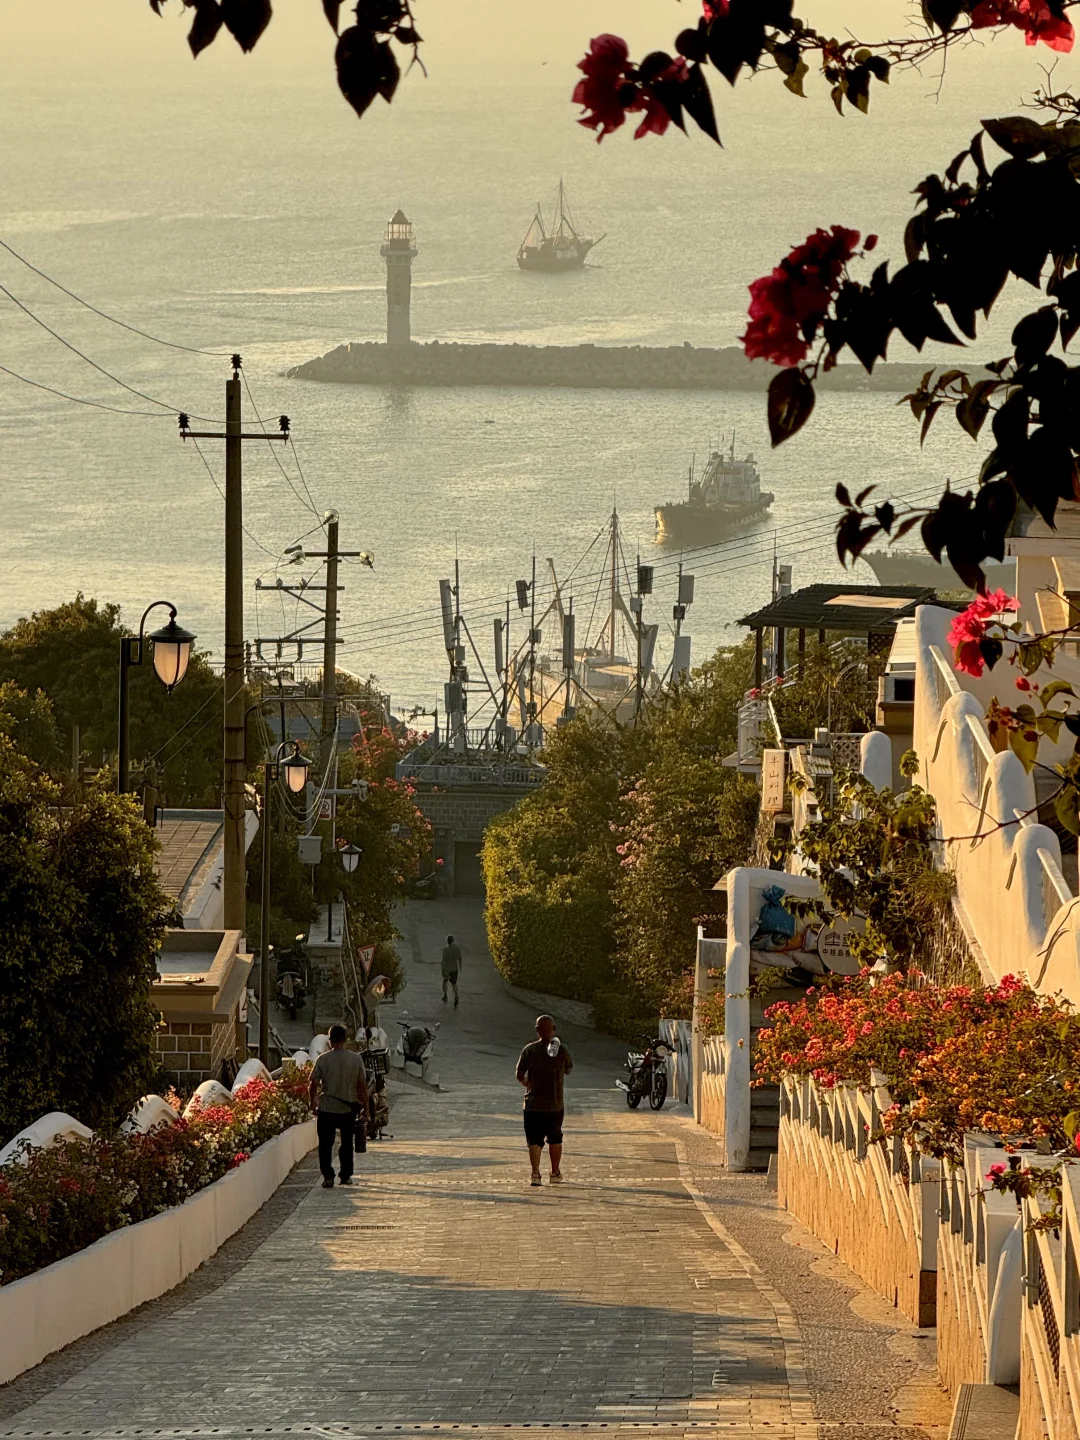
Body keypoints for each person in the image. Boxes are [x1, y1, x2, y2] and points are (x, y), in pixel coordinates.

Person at [516, 1014, 573, 1187]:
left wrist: (527, 1082)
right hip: (555, 1104)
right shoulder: (562, 1050)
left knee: (534, 1140)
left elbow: (519, 1073)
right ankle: (555, 1172)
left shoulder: (529, 1050)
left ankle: (535, 1174)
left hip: (532, 1104)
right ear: (554, 1029)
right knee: (555, 1138)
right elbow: (568, 1069)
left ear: (537, 1030)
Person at [309, 1024, 369, 1189]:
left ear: (330, 1041)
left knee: (325, 1145)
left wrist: (312, 1102)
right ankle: (345, 1175)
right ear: (345, 1040)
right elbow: (362, 1087)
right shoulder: (355, 1059)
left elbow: (313, 1083)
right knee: (347, 1143)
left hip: (327, 1108)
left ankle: (328, 1177)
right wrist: (366, 1109)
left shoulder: (323, 1059)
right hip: (347, 1109)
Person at [441, 933, 462, 1006]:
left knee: (445, 982)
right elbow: (459, 958)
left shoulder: (445, 949)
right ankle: (456, 996)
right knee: (454, 983)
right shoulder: (457, 948)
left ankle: (445, 995)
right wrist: (460, 967)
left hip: (447, 969)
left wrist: (442, 969)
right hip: (454, 969)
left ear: (447, 941)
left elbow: (443, 960)